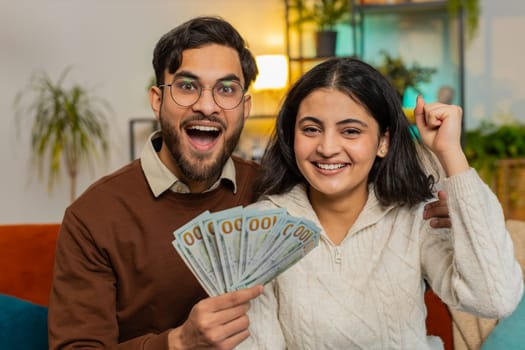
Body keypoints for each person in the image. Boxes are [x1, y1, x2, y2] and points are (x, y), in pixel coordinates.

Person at [48, 17, 451, 349]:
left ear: (245, 106)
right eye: (188, 86)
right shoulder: (93, 217)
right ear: (158, 99)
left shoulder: (277, 191)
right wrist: (178, 343)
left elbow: (361, 192)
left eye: (227, 89)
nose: (207, 104)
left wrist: (448, 208)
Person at [239, 57, 524, 349]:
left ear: (383, 142)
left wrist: (450, 151)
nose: (327, 148)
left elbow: (496, 299)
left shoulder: (416, 215)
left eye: (350, 131)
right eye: (311, 129)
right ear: (292, 135)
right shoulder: (261, 226)